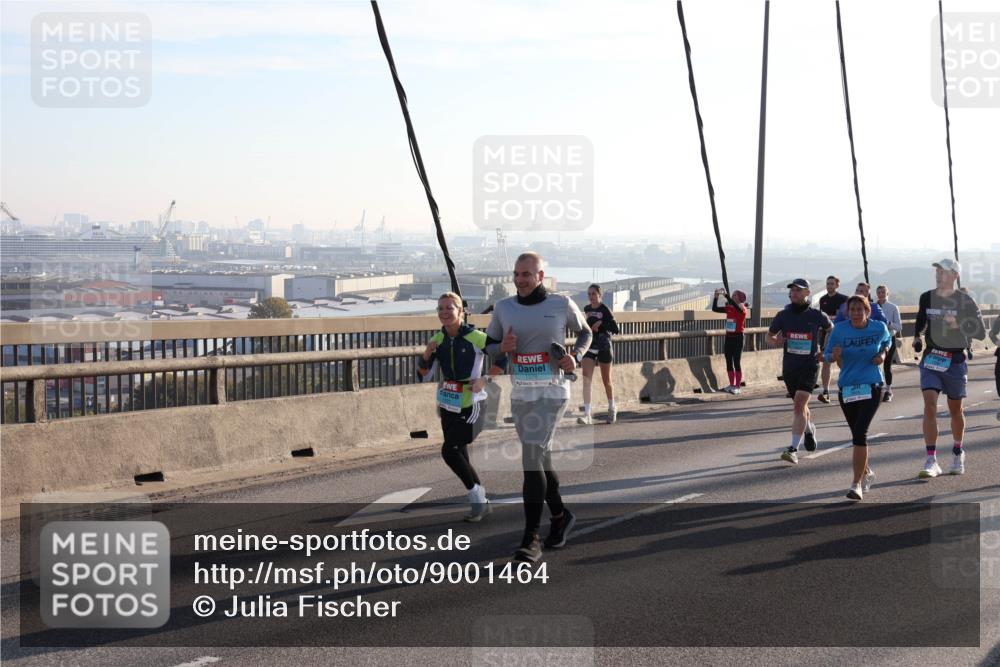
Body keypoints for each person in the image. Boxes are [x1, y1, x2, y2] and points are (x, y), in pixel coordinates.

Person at [486, 252, 592, 562]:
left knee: (531, 456)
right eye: (516, 274)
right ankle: (560, 516)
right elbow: (489, 344)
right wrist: (501, 348)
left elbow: (585, 332)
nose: (520, 280)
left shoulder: (561, 304)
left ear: (540, 276)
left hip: (553, 391)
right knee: (541, 457)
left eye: (526, 274)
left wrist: (576, 355)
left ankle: (531, 537)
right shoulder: (504, 308)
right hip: (521, 393)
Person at [419, 293, 506, 522]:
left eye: (449, 308)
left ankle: (478, 499)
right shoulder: (437, 338)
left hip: (473, 405)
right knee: (460, 454)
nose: (444, 312)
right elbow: (424, 375)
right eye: (440, 308)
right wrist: (426, 355)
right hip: (448, 403)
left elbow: (502, 357)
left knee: (449, 450)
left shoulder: (475, 336)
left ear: (460, 311)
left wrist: (485, 379)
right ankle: (480, 501)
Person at [913, 259, 986, 478]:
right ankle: (931, 459)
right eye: (937, 271)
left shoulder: (965, 301)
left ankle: (957, 452)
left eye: (943, 272)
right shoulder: (927, 297)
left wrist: (958, 324)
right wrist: (917, 336)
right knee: (929, 404)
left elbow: (981, 333)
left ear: (955, 276)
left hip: (954, 360)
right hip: (932, 358)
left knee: (955, 409)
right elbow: (920, 320)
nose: (938, 275)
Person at [825, 295, 893, 500]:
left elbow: (888, 341)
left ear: (867, 311)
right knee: (856, 433)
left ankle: (856, 484)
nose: (855, 313)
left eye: (859, 309)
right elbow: (827, 355)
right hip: (847, 387)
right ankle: (867, 472)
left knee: (860, 434)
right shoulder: (840, 330)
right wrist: (834, 356)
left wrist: (882, 354)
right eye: (852, 309)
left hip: (871, 385)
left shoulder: (878, 328)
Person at [768, 278, 833, 464]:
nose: (794, 293)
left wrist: (826, 350)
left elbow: (832, 330)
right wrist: (775, 341)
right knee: (801, 407)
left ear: (807, 293)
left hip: (810, 365)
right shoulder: (783, 315)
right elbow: (769, 336)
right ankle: (808, 429)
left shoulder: (817, 315)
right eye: (793, 290)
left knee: (798, 404)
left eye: (799, 290)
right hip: (790, 367)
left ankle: (793, 449)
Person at [578, 284, 621, 425]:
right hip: (590, 346)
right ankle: (587, 415)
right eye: (589, 294)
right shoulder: (587, 309)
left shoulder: (605, 310)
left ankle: (612, 407)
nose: (591, 297)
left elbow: (616, 328)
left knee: (606, 380)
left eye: (594, 294)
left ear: (599, 295)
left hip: (604, 346)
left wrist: (600, 324)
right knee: (586, 380)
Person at [712, 287, 749, 394]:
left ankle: (737, 386)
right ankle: (731, 384)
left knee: (736, 361)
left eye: (735, 295)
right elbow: (715, 309)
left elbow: (738, 308)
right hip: (729, 337)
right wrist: (716, 297)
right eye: (732, 295)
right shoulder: (729, 307)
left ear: (740, 298)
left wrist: (727, 295)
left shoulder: (742, 308)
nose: (732, 296)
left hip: (738, 338)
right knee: (728, 361)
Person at [818, 276, 849, 403]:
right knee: (826, 361)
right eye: (827, 283)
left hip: (841, 335)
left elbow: (847, 317)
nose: (829, 286)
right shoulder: (823, 299)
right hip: (826, 335)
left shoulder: (844, 299)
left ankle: (847, 387)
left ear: (837, 285)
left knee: (841, 362)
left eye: (831, 284)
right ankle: (826, 391)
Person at [875, 285, 902, 402]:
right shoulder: (872, 306)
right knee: (874, 365)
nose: (881, 294)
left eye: (883, 292)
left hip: (889, 339)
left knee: (887, 366)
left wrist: (888, 323)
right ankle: (876, 389)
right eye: (879, 292)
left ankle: (888, 390)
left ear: (887, 294)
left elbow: (899, 326)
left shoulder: (893, 307)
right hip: (875, 340)